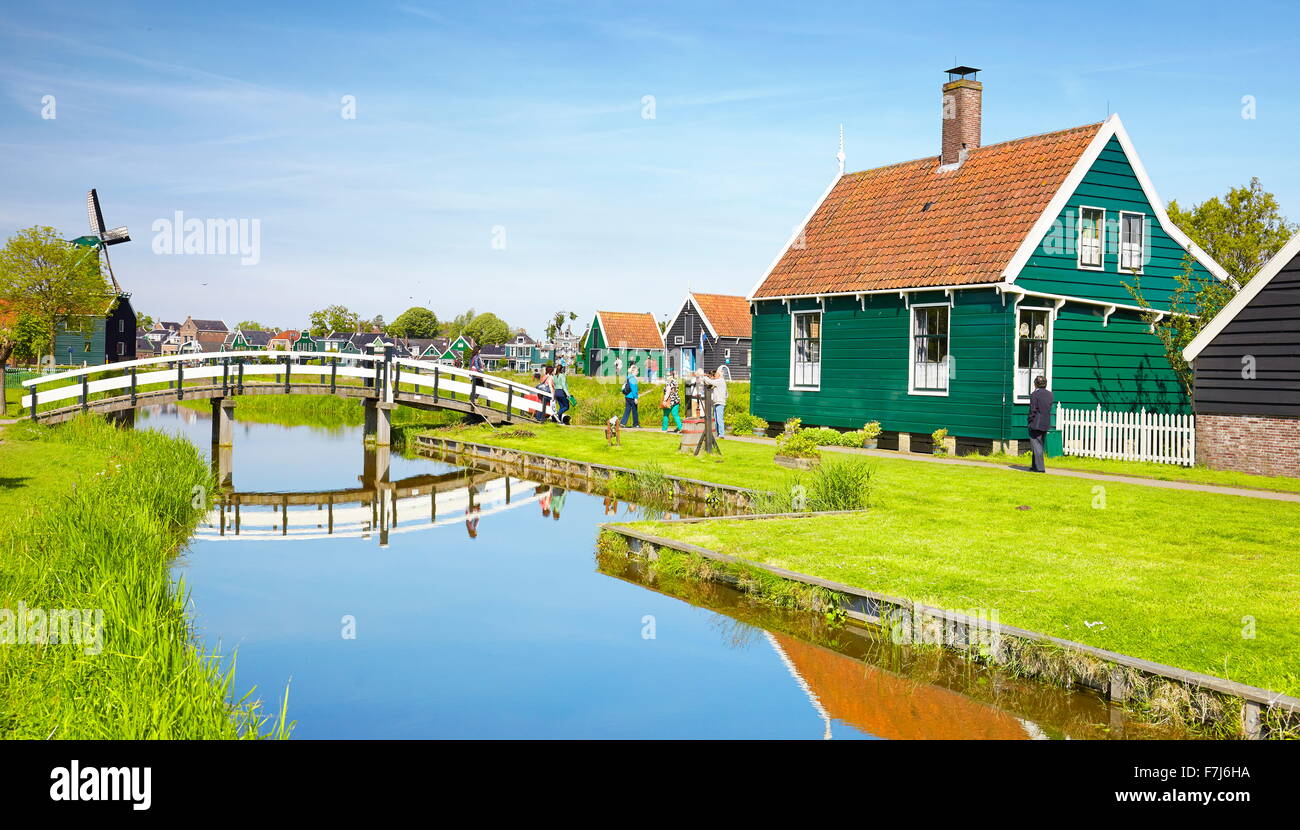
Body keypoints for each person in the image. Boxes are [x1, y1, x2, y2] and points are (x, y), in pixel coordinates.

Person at [1028, 375, 1053, 473]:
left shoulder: (1034, 394)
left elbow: (1032, 410)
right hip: (1046, 422)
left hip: (1036, 423)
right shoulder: (1050, 394)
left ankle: (1040, 468)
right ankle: (1034, 467)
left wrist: (1030, 421)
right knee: (1038, 445)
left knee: (1037, 445)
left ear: (1036, 384)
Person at [708, 367, 728, 438]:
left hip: (720, 402)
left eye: (716, 373)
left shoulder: (720, 381)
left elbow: (710, 382)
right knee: (716, 419)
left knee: (719, 419)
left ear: (719, 374)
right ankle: (717, 433)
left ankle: (721, 434)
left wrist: (704, 378)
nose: (715, 375)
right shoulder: (719, 381)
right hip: (717, 402)